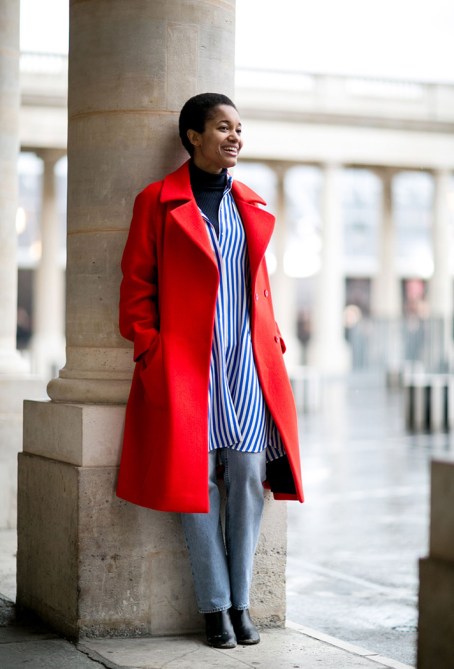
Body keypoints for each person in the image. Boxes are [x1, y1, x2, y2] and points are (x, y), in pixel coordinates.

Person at [116, 93, 304, 649]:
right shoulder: (157, 202)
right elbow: (137, 287)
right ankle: (215, 607)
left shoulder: (249, 204)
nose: (235, 137)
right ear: (193, 136)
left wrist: (271, 343)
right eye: (223, 127)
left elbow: (256, 287)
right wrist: (151, 349)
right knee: (195, 485)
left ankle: (242, 601)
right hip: (186, 369)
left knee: (246, 478)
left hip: (245, 364)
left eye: (239, 128)